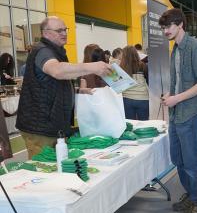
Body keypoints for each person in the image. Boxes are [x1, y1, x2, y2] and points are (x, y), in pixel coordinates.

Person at [16, 16, 112, 158]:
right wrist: (92, 67)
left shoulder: (56, 51)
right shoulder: (43, 51)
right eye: (59, 30)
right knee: (45, 170)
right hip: (41, 127)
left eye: (65, 29)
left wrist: (77, 91)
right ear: (46, 33)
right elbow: (57, 71)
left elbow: (53, 83)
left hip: (52, 124)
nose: (64, 33)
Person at [159, 8, 197, 213]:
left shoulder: (195, 48)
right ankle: (192, 196)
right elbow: (180, 81)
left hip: (190, 112)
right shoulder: (176, 48)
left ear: (180, 24)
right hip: (177, 112)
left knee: (191, 160)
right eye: (163, 27)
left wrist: (177, 98)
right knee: (178, 158)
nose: (165, 31)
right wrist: (170, 95)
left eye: (169, 26)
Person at [120, 45, 149, 120]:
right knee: (144, 124)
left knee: (130, 124)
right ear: (135, 53)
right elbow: (149, 82)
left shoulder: (121, 68)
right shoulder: (143, 66)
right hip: (142, 99)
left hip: (126, 99)